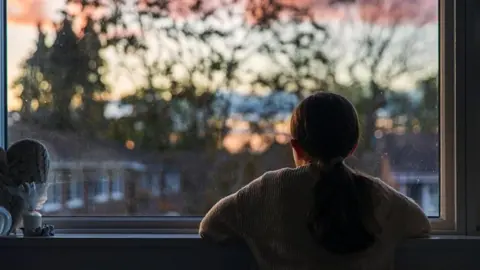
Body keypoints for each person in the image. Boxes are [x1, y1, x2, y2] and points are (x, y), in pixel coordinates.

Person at [199, 92, 431, 270]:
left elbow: (210, 226)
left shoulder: (269, 191)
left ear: (296, 147)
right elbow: (421, 225)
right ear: (352, 147)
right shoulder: (379, 196)